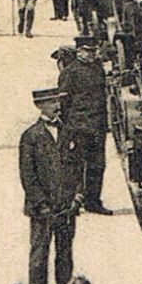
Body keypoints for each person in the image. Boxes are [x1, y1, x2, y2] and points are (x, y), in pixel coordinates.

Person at [19, 86, 80, 284]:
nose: (57, 105)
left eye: (58, 101)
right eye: (51, 102)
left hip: (66, 206)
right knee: (39, 253)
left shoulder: (68, 131)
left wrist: (77, 195)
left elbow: (77, 167)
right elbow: (28, 175)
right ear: (39, 106)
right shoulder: (31, 136)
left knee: (65, 253)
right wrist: (41, 203)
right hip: (41, 209)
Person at [57, 34, 111, 215]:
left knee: (97, 165)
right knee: (75, 166)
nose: (91, 55)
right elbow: (64, 103)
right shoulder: (70, 72)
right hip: (78, 126)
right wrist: (68, 128)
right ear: (79, 52)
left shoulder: (98, 69)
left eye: (94, 51)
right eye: (87, 51)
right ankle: (72, 203)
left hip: (98, 125)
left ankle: (93, 201)